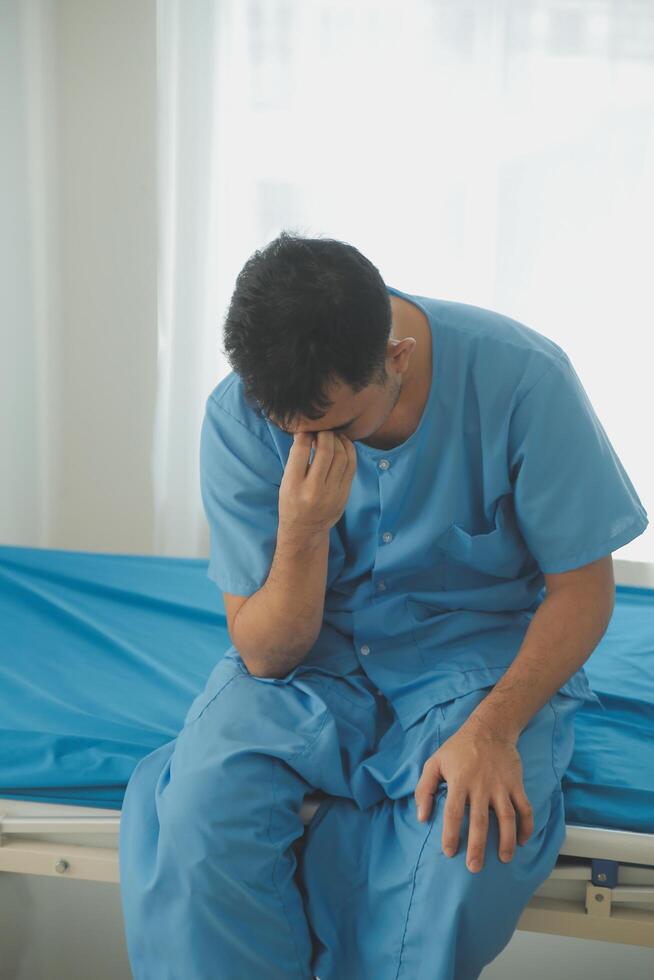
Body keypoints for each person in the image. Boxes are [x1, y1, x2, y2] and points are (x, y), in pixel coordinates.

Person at [119, 231, 648, 979]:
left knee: (468, 851)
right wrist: (302, 532)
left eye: (335, 425)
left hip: (476, 666)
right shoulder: (241, 414)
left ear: (395, 358)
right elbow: (266, 653)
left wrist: (494, 730)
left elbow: (584, 591)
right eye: (290, 429)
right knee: (196, 815)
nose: (310, 444)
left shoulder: (524, 379)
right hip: (309, 668)